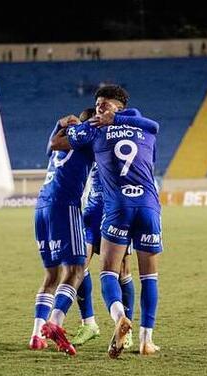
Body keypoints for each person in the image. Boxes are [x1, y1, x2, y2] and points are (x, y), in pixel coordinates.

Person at [51, 85, 162, 358]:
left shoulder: (95, 130)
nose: (99, 108)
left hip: (115, 208)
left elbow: (57, 142)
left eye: (105, 104)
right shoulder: (141, 125)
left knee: (110, 272)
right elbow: (153, 127)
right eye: (97, 104)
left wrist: (65, 125)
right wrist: (116, 120)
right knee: (138, 275)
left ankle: (117, 322)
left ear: (119, 108)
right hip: (146, 205)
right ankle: (139, 337)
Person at [28, 110, 94, 356]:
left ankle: (36, 335)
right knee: (76, 270)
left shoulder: (60, 139)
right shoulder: (88, 137)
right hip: (64, 206)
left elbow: (50, 146)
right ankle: (55, 323)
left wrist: (59, 123)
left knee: (51, 275)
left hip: (41, 207)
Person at [70, 108, 136, 350]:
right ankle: (89, 323)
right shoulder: (89, 140)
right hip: (90, 213)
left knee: (122, 270)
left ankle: (126, 328)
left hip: (115, 213)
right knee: (79, 266)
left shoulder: (121, 136)